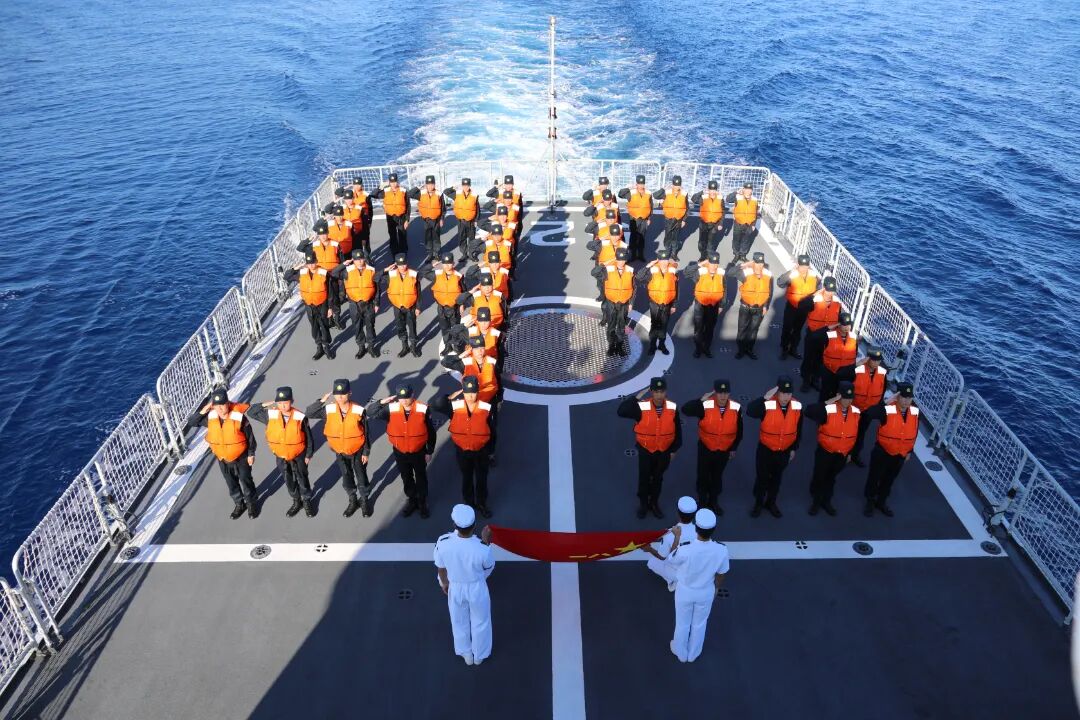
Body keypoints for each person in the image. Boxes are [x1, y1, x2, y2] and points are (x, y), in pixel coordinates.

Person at [652, 508, 729, 664]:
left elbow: (671, 560)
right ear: (713, 529)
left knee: (682, 623)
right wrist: (716, 588)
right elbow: (721, 574)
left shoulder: (685, 549)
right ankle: (694, 653)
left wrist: (677, 536)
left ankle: (680, 652)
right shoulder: (722, 550)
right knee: (700, 624)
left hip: (685, 591)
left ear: (696, 529)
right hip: (706, 591)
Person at [434, 504, 495, 666]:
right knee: (481, 621)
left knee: (458, 621)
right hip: (477, 587)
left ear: (455, 524)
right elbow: (488, 567)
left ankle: (465, 653)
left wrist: (444, 584)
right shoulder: (482, 548)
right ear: (474, 525)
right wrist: (486, 542)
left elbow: (441, 568)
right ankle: (479, 655)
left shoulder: (443, 542)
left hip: (455, 587)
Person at [305, 379, 372, 518]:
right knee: (347, 478)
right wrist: (321, 401)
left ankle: (364, 501)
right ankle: (353, 501)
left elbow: (366, 432)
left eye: (343, 393)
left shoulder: (359, 410)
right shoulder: (329, 410)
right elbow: (310, 413)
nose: (340, 397)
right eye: (337, 394)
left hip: (357, 451)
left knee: (361, 477)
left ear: (349, 393)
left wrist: (366, 452)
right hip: (340, 452)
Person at [617, 377, 682, 519]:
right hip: (646, 450)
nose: (659, 395)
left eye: (662, 391)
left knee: (658, 478)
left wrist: (674, 450)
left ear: (666, 392)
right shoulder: (641, 407)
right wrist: (636, 398)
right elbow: (621, 411)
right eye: (656, 391)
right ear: (651, 392)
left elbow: (677, 429)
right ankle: (643, 504)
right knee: (644, 478)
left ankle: (654, 503)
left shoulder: (672, 407)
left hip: (664, 451)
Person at [187, 389, 258, 519]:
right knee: (231, 484)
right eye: (216, 405)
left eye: (222, 404)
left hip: (241, 458)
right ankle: (239, 504)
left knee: (246, 481)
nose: (219, 408)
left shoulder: (239, 418)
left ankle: (251, 504)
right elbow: (192, 422)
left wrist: (251, 454)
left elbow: (250, 437)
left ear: (228, 404)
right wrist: (204, 409)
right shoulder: (210, 418)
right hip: (223, 459)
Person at [367, 385, 436, 519]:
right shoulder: (391, 409)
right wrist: (382, 402)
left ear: (413, 394)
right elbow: (371, 413)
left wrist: (429, 451)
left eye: (407, 397)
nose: (404, 401)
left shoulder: (423, 409)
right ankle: (412, 500)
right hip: (400, 452)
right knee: (406, 477)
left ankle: (422, 502)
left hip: (419, 451)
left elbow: (431, 432)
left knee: (421, 476)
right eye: (401, 398)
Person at [246, 387, 316, 518]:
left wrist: (308, 454)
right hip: (281, 456)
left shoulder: (300, 417)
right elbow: (251, 412)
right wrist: (268, 403)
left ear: (292, 401)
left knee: (302, 478)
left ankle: (306, 501)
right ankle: (296, 501)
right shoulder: (270, 415)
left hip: (298, 455)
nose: (283, 405)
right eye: (279, 402)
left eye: (286, 402)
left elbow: (309, 437)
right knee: (288, 480)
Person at [430, 376, 495, 517]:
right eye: (467, 393)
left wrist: (490, 451)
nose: (471, 396)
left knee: (481, 478)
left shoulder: (486, 408)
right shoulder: (455, 407)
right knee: (467, 478)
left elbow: (491, 430)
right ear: (463, 392)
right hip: (463, 451)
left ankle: (482, 503)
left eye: (473, 392)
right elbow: (436, 405)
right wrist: (448, 397)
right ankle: (469, 503)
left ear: (478, 392)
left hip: (481, 451)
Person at [681, 379, 743, 514]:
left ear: (729, 393)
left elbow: (739, 430)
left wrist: (734, 448)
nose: (723, 396)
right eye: (720, 392)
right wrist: (700, 400)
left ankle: (713, 501)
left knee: (717, 476)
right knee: (703, 475)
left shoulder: (736, 408)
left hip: (724, 450)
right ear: (715, 393)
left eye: (726, 392)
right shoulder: (705, 405)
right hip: (706, 448)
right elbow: (685, 409)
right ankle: (702, 501)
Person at [745, 377, 803, 518]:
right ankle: (758, 503)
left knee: (777, 479)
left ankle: (771, 503)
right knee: (762, 478)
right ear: (777, 392)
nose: (786, 397)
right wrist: (764, 398)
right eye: (783, 393)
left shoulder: (797, 406)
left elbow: (798, 429)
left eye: (789, 393)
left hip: (784, 451)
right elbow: (750, 411)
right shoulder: (767, 404)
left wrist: (794, 448)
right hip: (766, 450)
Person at [861, 382, 919, 517]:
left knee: (889, 480)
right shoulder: (887, 409)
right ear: (897, 397)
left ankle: (881, 502)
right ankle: (870, 501)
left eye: (909, 398)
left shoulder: (915, 412)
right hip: (883, 452)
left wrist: (909, 451)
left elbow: (914, 431)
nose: (906, 401)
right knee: (874, 477)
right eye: (903, 397)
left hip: (900, 454)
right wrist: (887, 401)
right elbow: (869, 414)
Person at [803, 382, 861, 516]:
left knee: (831, 478)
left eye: (850, 398)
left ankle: (826, 501)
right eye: (845, 397)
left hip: (842, 454)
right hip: (826, 451)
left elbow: (854, 434)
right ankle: (816, 502)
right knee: (820, 476)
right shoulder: (828, 409)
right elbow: (809, 411)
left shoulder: (856, 412)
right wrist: (828, 402)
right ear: (838, 396)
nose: (848, 401)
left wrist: (850, 453)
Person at [282, 249, 336, 360]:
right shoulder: (301, 273)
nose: (311, 265)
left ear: (316, 261)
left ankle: (326, 347)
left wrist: (330, 307)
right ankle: (319, 348)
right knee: (314, 327)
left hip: (322, 304)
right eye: (309, 263)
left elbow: (331, 291)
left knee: (324, 325)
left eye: (313, 262)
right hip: (309, 305)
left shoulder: (324, 273)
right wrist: (295, 268)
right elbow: (286, 276)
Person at [331, 249, 380, 359]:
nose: (360, 261)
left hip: (369, 304)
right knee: (357, 327)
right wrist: (343, 264)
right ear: (353, 260)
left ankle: (371, 346)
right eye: (357, 260)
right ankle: (361, 347)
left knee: (370, 326)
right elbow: (333, 273)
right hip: (354, 304)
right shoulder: (347, 271)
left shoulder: (371, 270)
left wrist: (377, 303)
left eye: (361, 259)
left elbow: (377, 288)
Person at [297, 219, 345, 329]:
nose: (323, 236)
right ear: (318, 235)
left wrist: (340, 277)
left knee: (335, 299)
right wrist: (308, 239)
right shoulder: (313, 245)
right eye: (321, 234)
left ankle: (337, 319)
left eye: (325, 234)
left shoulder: (336, 245)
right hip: (319, 277)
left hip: (333, 276)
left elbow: (341, 261)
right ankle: (329, 320)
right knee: (325, 299)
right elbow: (300, 248)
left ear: (328, 233)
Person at [644, 496, 698, 591]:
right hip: (694, 569)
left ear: (678, 513)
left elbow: (662, 557)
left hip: (678, 571)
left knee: (651, 562)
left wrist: (650, 549)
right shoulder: (700, 532)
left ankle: (674, 581)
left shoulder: (669, 535)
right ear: (694, 515)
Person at [590, 247, 636, 356]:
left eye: (623, 260)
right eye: (619, 259)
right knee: (611, 326)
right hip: (611, 303)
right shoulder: (608, 270)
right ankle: (611, 347)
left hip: (624, 304)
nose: (621, 262)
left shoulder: (630, 270)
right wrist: (604, 264)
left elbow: (634, 288)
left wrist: (631, 303)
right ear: (616, 259)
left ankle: (619, 347)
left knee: (621, 327)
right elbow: (594, 273)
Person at [799, 276, 842, 387]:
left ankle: (815, 379)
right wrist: (813, 295)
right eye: (828, 290)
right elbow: (801, 306)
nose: (830, 293)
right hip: (813, 334)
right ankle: (806, 380)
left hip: (827, 336)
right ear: (823, 288)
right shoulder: (814, 299)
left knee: (821, 359)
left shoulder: (837, 302)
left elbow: (839, 319)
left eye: (832, 291)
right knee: (809, 358)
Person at [634, 249, 679, 355]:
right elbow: (639, 277)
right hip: (654, 303)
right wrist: (648, 266)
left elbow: (676, 289)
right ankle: (653, 345)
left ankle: (662, 345)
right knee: (654, 324)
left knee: (664, 325)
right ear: (658, 260)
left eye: (666, 260)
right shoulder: (652, 271)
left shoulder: (672, 271)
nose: (664, 262)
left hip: (667, 303)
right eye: (662, 260)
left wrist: (674, 304)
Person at [730, 252, 773, 360]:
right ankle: (740, 350)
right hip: (745, 307)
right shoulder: (746, 272)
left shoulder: (768, 274)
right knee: (742, 329)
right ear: (753, 263)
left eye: (761, 263)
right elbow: (730, 273)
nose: (760, 265)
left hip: (759, 308)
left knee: (754, 330)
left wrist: (765, 306)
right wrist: (744, 265)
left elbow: (768, 291)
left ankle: (749, 349)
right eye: (757, 263)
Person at [682, 252, 726, 359]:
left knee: (710, 329)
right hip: (700, 305)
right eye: (711, 263)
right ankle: (698, 349)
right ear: (707, 263)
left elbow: (724, 289)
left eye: (716, 263)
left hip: (714, 305)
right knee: (699, 328)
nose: (714, 266)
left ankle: (706, 348)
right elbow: (686, 272)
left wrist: (721, 305)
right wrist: (700, 264)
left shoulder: (721, 274)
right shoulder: (700, 272)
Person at [849, 347, 888, 466]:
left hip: (868, 411)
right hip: (854, 408)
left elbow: (883, 390)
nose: (876, 363)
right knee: (848, 431)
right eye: (874, 360)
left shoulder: (883, 373)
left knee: (861, 434)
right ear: (868, 359)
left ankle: (855, 455)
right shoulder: (857, 369)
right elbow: (845, 382)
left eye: (878, 360)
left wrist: (877, 407)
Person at [775, 255, 819, 359]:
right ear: (798, 265)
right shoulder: (792, 275)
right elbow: (780, 283)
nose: (804, 268)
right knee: (787, 328)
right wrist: (790, 272)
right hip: (792, 307)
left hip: (804, 308)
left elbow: (817, 286)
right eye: (802, 266)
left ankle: (793, 349)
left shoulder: (813, 276)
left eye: (806, 266)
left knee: (797, 330)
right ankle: (784, 348)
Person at [380, 253, 422, 357]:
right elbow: (375, 278)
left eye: (404, 264)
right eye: (400, 265)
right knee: (400, 327)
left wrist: (418, 307)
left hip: (410, 306)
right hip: (397, 307)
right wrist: (385, 270)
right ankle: (405, 346)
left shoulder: (414, 274)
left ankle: (413, 347)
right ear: (396, 265)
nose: (402, 267)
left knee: (412, 326)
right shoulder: (390, 275)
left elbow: (418, 292)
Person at [420, 252, 464, 343]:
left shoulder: (459, 276)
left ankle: (457, 346)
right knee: (444, 328)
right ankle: (447, 345)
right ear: (442, 264)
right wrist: (432, 265)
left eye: (449, 263)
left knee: (455, 328)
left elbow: (464, 291)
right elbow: (423, 272)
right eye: (445, 263)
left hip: (454, 308)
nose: (447, 266)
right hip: (441, 307)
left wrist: (462, 305)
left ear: (453, 264)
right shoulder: (437, 274)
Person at [813, 311, 858, 400]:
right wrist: (830, 327)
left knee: (839, 396)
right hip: (830, 372)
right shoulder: (829, 335)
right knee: (825, 395)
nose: (847, 327)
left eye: (848, 325)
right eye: (844, 325)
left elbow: (854, 354)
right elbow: (814, 336)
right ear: (839, 324)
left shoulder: (854, 337)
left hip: (845, 374)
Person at [407, 174, 445, 262]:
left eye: (432, 184)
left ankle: (436, 253)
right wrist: (418, 188)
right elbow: (409, 194)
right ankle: (430, 254)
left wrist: (442, 219)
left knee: (436, 237)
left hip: (436, 220)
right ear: (426, 185)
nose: (430, 186)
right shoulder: (421, 193)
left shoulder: (439, 194)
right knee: (428, 237)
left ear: (434, 184)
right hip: (426, 220)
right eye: (428, 184)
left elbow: (443, 208)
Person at [372, 173, 410, 256]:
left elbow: (408, 205)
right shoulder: (385, 191)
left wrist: (407, 220)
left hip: (401, 216)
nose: (394, 184)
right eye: (392, 182)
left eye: (395, 182)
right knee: (392, 235)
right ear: (389, 182)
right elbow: (373, 195)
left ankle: (403, 253)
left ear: (398, 181)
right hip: (390, 217)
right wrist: (380, 187)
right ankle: (394, 253)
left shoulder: (403, 191)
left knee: (402, 235)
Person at [443, 178, 481, 261]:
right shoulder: (457, 194)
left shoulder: (474, 195)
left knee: (471, 238)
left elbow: (477, 209)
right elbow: (446, 192)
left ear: (470, 186)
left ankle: (471, 254)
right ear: (462, 186)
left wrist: (476, 220)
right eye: (464, 185)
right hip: (461, 221)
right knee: (462, 238)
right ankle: (464, 254)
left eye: (467, 185)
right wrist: (453, 187)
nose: (466, 187)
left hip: (471, 221)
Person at [618, 174, 653, 261]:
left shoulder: (648, 193)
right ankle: (633, 255)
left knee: (642, 237)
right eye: (639, 184)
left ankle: (640, 255)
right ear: (636, 184)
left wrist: (649, 218)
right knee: (633, 237)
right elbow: (620, 194)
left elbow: (651, 206)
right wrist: (629, 188)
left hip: (644, 219)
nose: (641, 185)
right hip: (634, 219)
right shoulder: (631, 193)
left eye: (642, 184)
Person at [652, 175, 689, 259]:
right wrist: (663, 189)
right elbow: (655, 196)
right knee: (668, 237)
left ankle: (674, 254)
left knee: (675, 238)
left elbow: (687, 208)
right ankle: (667, 252)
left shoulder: (684, 194)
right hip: (668, 219)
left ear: (680, 185)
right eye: (675, 185)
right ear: (672, 185)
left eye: (678, 185)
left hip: (678, 219)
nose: (676, 187)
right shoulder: (666, 192)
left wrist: (684, 220)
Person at [725, 183, 760, 262]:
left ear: (752, 190)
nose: (748, 191)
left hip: (749, 224)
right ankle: (736, 255)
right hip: (738, 223)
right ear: (743, 189)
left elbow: (755, 212)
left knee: (746, 240)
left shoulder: (754, 200)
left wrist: (753, 224)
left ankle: (743, 255)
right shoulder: (738, 197)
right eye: (746, 189)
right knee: (736, 240)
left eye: (750, 189)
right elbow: (728, 199)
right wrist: (736, 192)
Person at [691, 180, 725, 261]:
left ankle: (708, 257)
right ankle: (703, 255)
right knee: (702, 242)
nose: (712, 192)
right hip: (704, 223)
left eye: (714, 190)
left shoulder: (720, 199)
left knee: (711, 241)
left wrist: (721, 223)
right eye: (711, 190)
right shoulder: (703, 198)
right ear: (708, 190)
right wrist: (702, 192)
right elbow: (693, 199)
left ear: (716, 190)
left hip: (715, 224)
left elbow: (723, 212)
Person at [460, 336, 499, 403]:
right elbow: (446, 362)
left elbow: (497, 379)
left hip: (488, 396)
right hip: (470, 394)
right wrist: (464, 354)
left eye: (482, 348)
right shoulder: (466, 362)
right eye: (476, 349)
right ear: (471, 350)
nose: (479, 351)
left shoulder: (492, 361)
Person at [348, 177, 375, 256]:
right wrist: (346, 187)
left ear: (362, 185)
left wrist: (369, 221)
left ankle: (368, 256)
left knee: (366, 239)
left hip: (364, 220)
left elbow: (370, 209)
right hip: (354, 220)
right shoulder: (349, 194)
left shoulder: (366, 195)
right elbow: (338, 192)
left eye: (358, 184)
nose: (357, 186)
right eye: (355, 185)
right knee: (355, 241)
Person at [341, 188, 366, 257]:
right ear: (344, 200)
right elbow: (328, 210)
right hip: (347, 236)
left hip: (357, 235)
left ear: (353, 198)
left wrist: (364, 238)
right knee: (348, 255)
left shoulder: (360, 209)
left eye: (350, 198)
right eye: (346, 199)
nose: (348, 201)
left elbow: (365, 225)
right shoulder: (341, 209)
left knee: (358, 254)